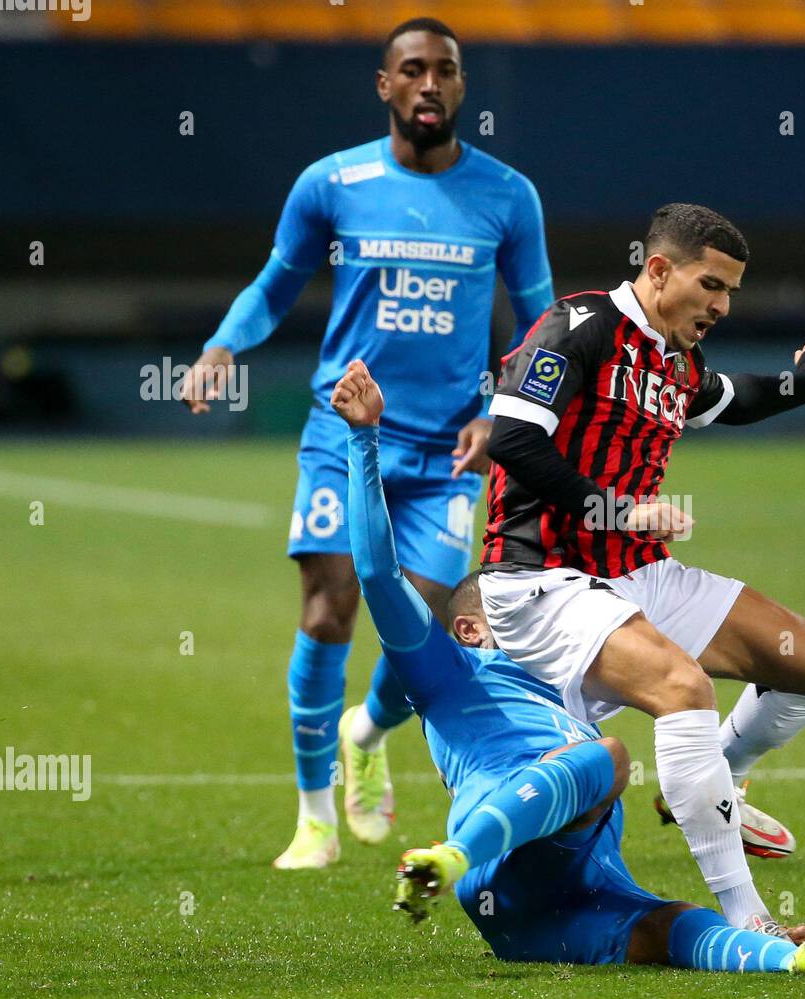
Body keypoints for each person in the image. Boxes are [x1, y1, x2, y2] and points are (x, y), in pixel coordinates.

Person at [332, 357, 805, 975]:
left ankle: (789, 957)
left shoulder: (574, 679)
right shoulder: (447, 673)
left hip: (547, 911)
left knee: (675, 925)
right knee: (609, 759)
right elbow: (379, 572)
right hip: (496, 857)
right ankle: (448, 855)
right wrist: (363, 437)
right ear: (471, 627)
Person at [182, 18, 553, 868]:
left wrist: (502, 409)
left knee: (416, 626)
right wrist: (219, 349)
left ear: (462, 88)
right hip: (343, 430)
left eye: (446, 71)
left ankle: (366, 729)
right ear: (384, 85)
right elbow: (278, 281)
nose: (430, 84)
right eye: (412, 70)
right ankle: (313, 818)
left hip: (448, 449)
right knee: (329, 604)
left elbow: (540, 322)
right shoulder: (332, 183)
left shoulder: (507, 195)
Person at [478, 203, 805, 933]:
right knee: (684, 689)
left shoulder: (674, 360)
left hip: (637, 572)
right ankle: (750, 924)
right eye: (711, 285)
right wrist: (616, 509)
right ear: (658, 269)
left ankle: (726, 780)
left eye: (731, 293)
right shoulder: (577, 329)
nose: (720, 305)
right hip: (543, 579)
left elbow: (730, 400)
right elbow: (514, 442)